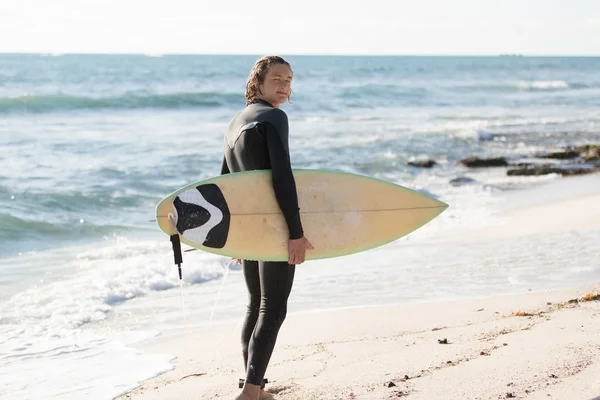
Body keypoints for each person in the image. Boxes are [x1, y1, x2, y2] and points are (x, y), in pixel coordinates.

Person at [220, 55, 314, 400]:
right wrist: (295, 232)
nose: (284, 84)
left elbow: (225, 184)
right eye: (277, 78)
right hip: (274, 226)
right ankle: (251, 391)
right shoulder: (275, 117)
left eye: (288, 79)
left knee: (256, 304)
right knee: (272, 308)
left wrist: (235, 237)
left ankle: (252, 387)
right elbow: (282, 179)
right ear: (256, 82)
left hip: (252, 230)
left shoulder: (235, 122)